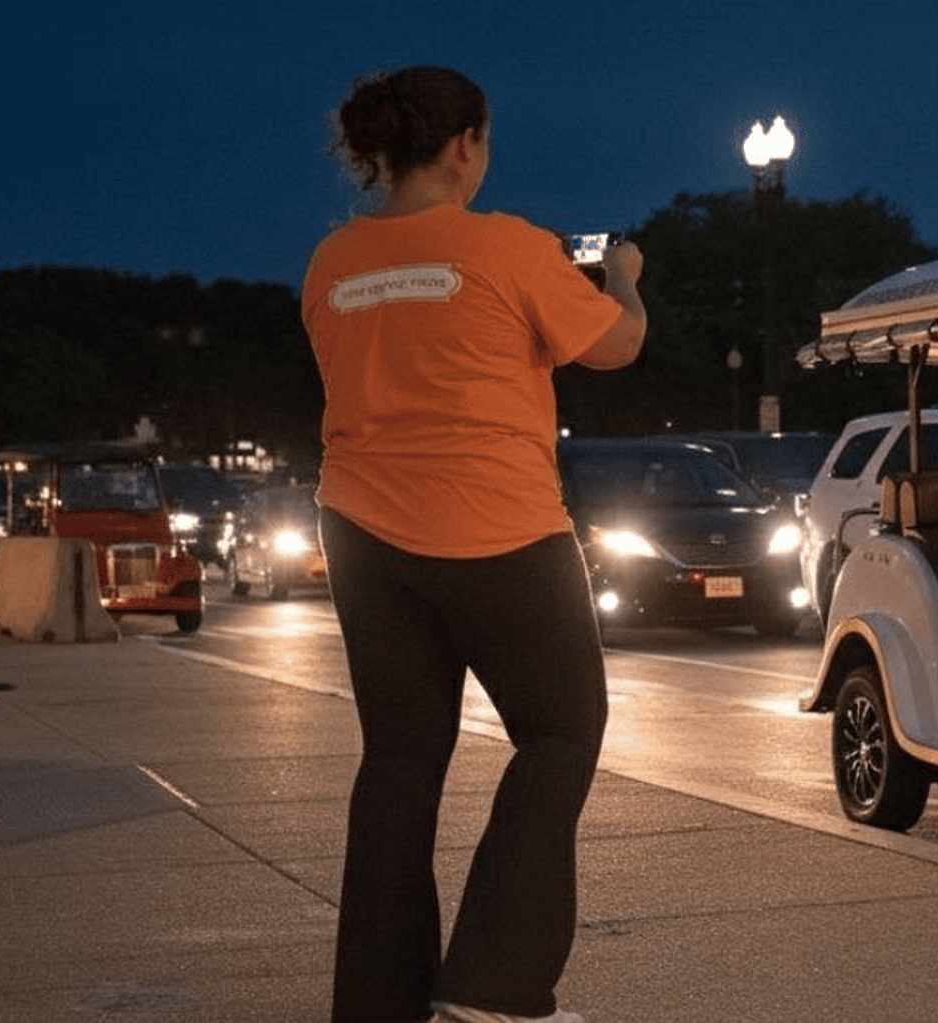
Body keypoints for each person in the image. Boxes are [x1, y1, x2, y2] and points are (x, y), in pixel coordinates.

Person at [303, 66, 646, 1023]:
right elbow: (617, 344)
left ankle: (377, 1003)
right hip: (498, 528)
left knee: (401, 761)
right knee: (560, 733)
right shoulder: (509, 247)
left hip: (365, 532)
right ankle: (494, 985)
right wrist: (621, 276)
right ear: (465, 146)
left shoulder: (332, 263)